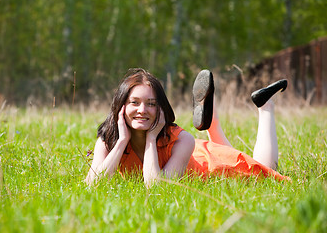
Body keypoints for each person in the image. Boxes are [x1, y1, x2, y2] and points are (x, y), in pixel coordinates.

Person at [85, 68, 290, 186]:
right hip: (197, 153)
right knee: (231, 152)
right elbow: (92, 184)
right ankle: (213, 120)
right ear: (120, 106)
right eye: (134, 102)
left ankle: (266, 107)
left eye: (151, 104)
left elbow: (156, 187)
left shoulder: (182, 139)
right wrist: (122, 141)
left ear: (161, 109)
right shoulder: (109, 138)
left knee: (266, 169)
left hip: (211, 170)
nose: (142, 110)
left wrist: (150, 138)